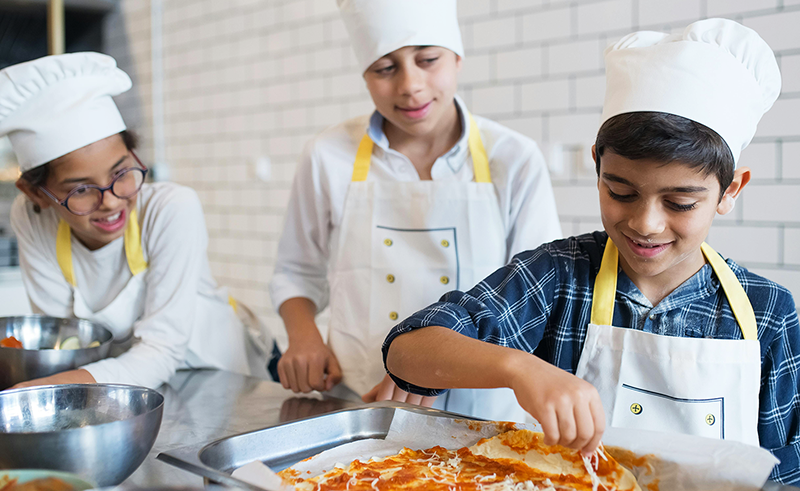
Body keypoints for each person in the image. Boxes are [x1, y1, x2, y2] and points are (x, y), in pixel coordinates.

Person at [382, 18, 800, 484]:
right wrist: (521, 368)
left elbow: (789, 459)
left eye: (680, 202)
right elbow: (406, 350)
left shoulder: (767, 314)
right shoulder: (560, 276)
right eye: (620, 192)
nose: (645, 223)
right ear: (597, 164)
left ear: (730, 190)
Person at [269, 0, 561, 421]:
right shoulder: (327, 156)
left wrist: (425, 365)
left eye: (428, 60)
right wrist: (303, 337)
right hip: (360, 402)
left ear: (457, 59)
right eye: (385, 68)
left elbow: (535, 297)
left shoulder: (513, 158)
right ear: (365, 76)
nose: (410, 85)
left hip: (482, 410)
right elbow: (295, 271)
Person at [4, 52, 274, 389]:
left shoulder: (170, 208)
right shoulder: (31, 218)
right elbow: (65, 339)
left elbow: (161, 348)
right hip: (124, 384)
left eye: (121, 172)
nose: (112, 201)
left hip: (222, 380)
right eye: (83, 190)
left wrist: (48, 389)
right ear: (36, 195)